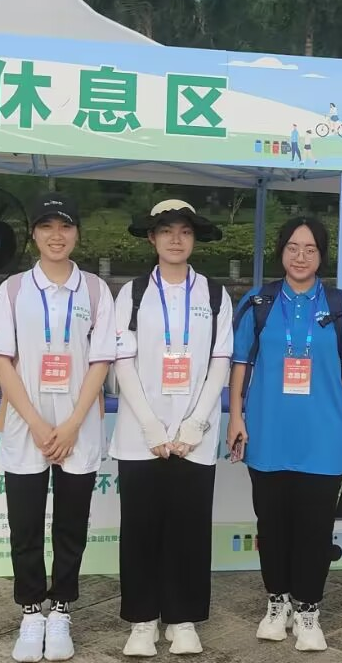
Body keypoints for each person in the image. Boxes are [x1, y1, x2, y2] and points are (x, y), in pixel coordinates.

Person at [0, 193, 116, 663]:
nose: (56, 236)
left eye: (65, 226)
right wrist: (39, 423)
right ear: (34, 234)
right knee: (24, 523)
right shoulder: (14, 290)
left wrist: (73, 423)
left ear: (77, 233)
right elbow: (1, 359)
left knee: (71, 524)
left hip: (79, 426)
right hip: (27, 425)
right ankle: (30, 612)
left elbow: (101, 360)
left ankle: (60, 610)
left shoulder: (95, 291)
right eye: (47, 227)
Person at [227, 216, 342, 652]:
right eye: (293, 247)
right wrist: (235, 416)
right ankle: (277, 602)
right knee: (271, 525)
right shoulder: (258, 302)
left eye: (310, 249)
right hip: (268, 432)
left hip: (323, 435)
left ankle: (308, 610)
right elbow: (240, 363)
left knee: (314, 528)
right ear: (281, 251)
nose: (301, 256)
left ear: (322, 255)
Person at [110, 199, 234, 657]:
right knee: (140, 529)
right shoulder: (133, 293)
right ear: (152, 238)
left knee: (189, 528)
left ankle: (183, 619)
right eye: (166, 231)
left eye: (184, 231)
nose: (175, 240)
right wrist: (150, 426)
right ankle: (142, 620)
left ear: (194, 238)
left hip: (193, 438)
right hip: (140, 436)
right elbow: (122, 361)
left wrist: (195, 424)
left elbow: (220, 362)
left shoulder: (215, 295)